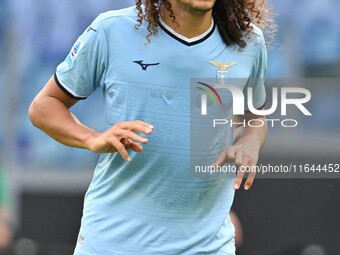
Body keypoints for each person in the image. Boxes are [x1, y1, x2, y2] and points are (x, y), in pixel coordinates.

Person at [28, 0, 274, 254]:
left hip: (206, 246)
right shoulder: (110, 30)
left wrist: (250, 141)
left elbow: (253, 116)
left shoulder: (248, 42)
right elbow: (44, 106)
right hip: (114, 243)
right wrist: (92, 138)